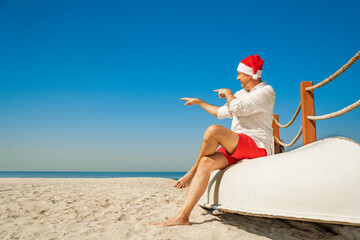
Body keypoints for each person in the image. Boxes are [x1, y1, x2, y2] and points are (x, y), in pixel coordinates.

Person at [153, 55, 276, 226]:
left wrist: (228, 93)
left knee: (213, 130)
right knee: (205, 161)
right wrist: (199, 102)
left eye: (240, 74)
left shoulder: (266, 92)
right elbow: (221, 112)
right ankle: (183, 217)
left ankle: (191, 172)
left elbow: (238, 108)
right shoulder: (240, 94)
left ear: (250, 75)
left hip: (257, 145)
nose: (237, 77)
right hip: (237, 145)